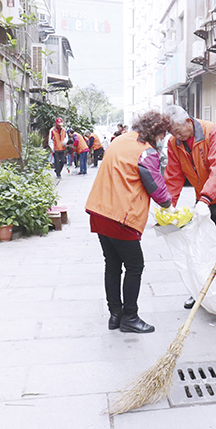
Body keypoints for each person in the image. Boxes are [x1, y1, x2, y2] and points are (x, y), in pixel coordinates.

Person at [85, 110, 173, 333]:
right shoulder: (146, 152)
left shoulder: (120, 140)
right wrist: (168, 206)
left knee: (112, 264)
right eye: (162, 134)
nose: (163, 139)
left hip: (99, 211)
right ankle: (130, 317)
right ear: (156, 132)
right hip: (121, 217)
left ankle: (115, 315)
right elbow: (155, 186)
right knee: (135, 266)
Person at [163, 105, 216, 309]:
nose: (175, 136)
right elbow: (173, 175)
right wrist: (168, 207)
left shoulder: (211, 131)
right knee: (198, 246)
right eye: (171, 133)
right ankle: (199, 291)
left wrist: (205, 199)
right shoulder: (175, 143)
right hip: (204, 199)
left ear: (189, 122)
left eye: (177, 131)